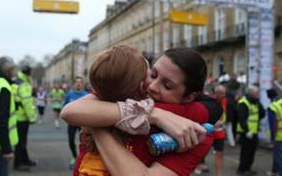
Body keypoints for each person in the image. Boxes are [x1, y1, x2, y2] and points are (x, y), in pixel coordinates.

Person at [62, 46, 223, 176]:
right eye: (153, 75)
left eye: (167, 85)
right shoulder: (129, 91)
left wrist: (97, 125)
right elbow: (70, 111)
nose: (152, 87)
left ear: (189, 97)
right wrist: (153, 114)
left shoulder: (194, 133)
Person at [236, 85, 266, 176]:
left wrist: (258, 102)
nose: (258, 95)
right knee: (246, 153)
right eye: (256, 93)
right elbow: (242, 118)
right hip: (246, 133)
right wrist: (247, 131)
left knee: (252, 152)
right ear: (251, 93)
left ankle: (248, 168)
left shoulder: (255, 102)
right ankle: (242, 170)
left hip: (254, 132)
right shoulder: (243, 103)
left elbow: (262, 114)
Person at [13, 66, 37, 171]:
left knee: (22, 141)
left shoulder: (16, 81)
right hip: (22, 117)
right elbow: (27, 102)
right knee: (21, 141)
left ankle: (25, 159)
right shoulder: (24, 84)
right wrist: (32, 118)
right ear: (29, 73)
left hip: (16, 115)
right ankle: (18, 163)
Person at [63, 76, 89, 168]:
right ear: (74, 84)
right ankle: (74, 157)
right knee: (71, 140)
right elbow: (64, 108)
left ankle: (83, 158)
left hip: (82, 124)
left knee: (85, 142)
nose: (78, 84)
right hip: (72, 123)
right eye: (76, 82)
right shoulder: (69, 95)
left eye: (80, 82)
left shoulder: (86, 95)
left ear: (82, 84)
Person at [266, 88, 282, 176]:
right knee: (277, 154)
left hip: (279, 135)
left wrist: (272, 138)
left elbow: (273, 125)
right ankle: (274, 171)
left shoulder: (272, 107)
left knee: (280, 156)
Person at [212, 85, 228, 176]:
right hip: (209, 131)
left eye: (224, 93)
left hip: (220, 131)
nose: (224, 95)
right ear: (216, 93)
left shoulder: (224, 100)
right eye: (222, 94)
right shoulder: (210, 101)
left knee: (219, 153)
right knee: (202, 152)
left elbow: (224, 113)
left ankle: (219, 174)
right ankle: (200, 165)